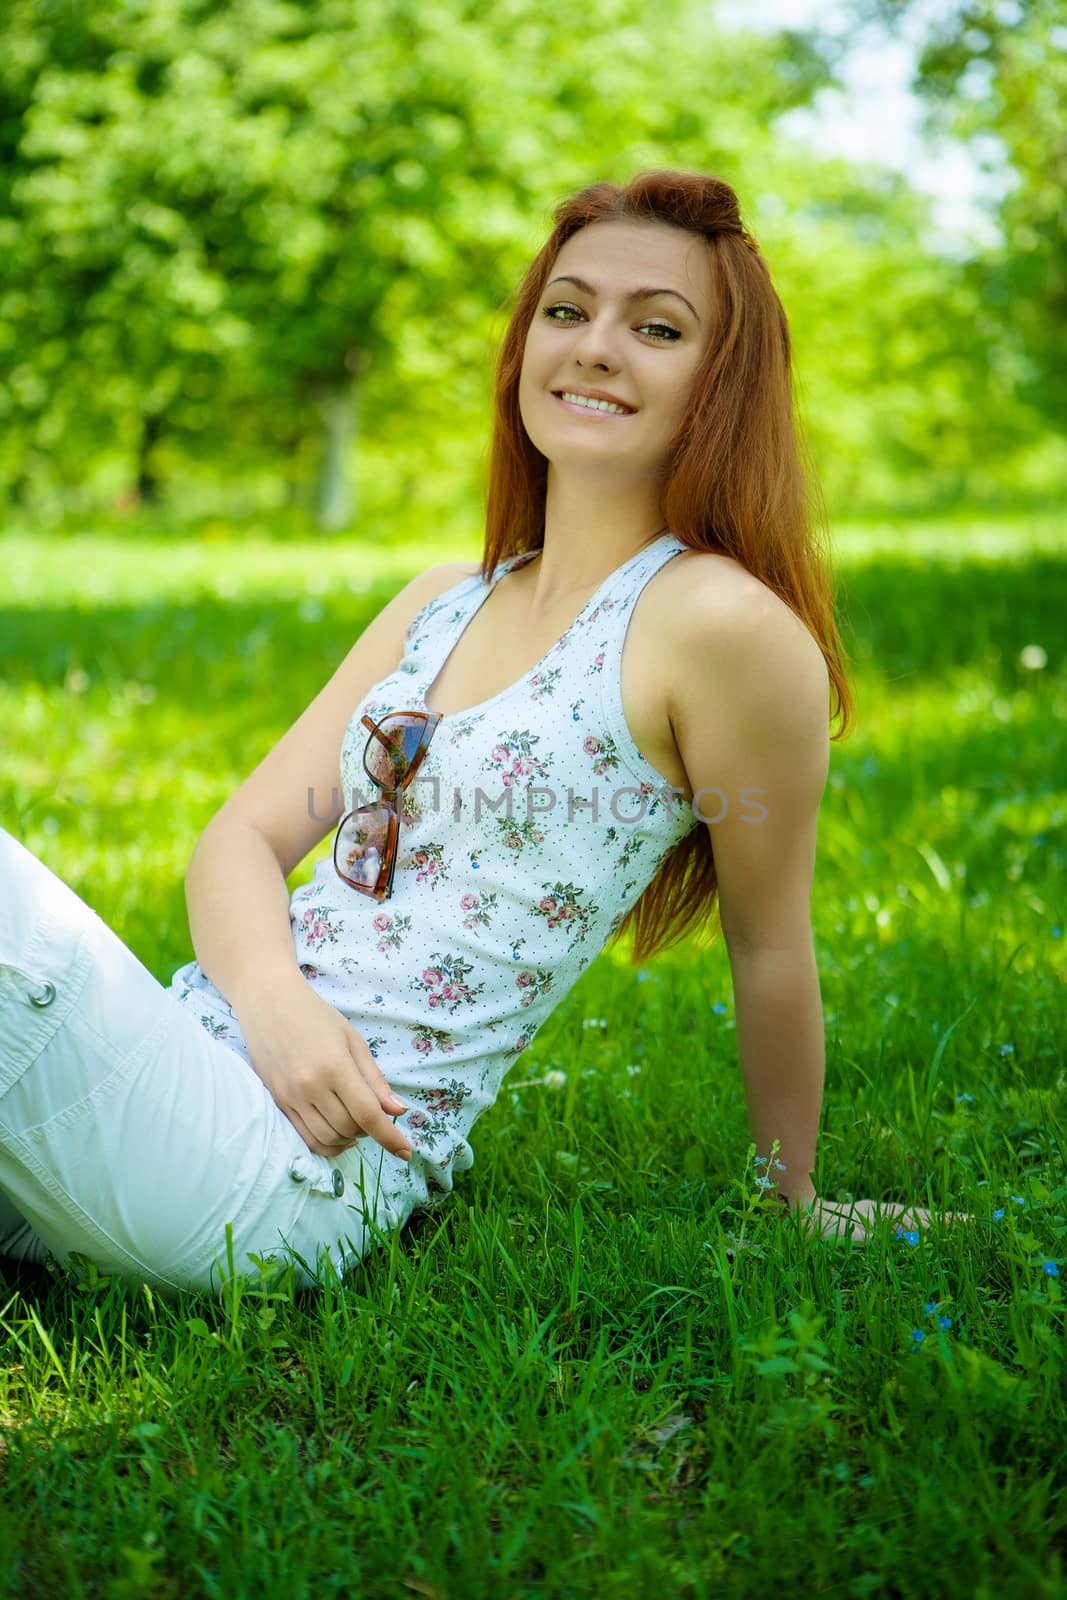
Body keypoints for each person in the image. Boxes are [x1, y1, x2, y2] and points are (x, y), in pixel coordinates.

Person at [0, 168, 971, 1297]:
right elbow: (237, 843)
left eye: (655, 327)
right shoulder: (440, 600)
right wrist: (277, 1010)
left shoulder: (715, 625)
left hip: (283, 1173)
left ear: (723, 383)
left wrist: (790, 1194)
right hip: (178, 1071)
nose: (595, 346)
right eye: (565, 310)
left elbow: (766, 942)